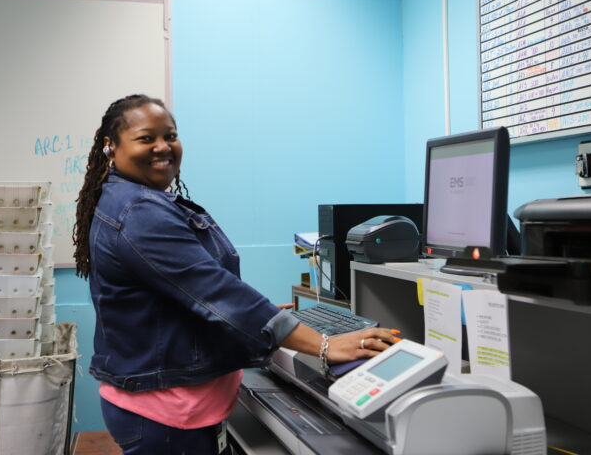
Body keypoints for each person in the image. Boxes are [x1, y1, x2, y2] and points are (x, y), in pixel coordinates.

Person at [73, 94, 398, 454]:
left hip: (168, 405)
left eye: (170, 135)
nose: (163, 147)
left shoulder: (132, 199)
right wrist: (324, 344)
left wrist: (261, 316)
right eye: (146, 138)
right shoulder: (138, 212)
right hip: (167, 416)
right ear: (110, 146)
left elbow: (181, 291)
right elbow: (217, 292)